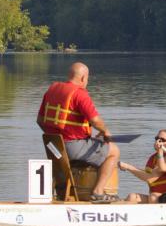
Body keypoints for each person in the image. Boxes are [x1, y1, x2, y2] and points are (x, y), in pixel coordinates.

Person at [37, 61, 120, 203]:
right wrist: (106, 131)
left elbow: (40, 120)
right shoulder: (80, 94)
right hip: (72, 147)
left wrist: (58, 136)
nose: (87, 82)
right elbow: (95, 120)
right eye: (87, 79)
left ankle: (66, 194)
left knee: (96, 144)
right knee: (114, 151)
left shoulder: (52, 90)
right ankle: (98, 192)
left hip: (53, 147)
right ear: (83, 78)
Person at [120, 130, 166, 203]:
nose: (158, 142)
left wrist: (127, 167)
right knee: (132, 197)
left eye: (162, 140)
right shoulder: (153, 158)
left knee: (153, 197)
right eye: (157, 138)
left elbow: (150, 178)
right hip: (155, 195)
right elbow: (145, 175)